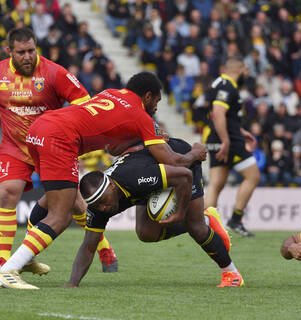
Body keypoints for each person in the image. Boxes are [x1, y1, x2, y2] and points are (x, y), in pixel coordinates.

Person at [0, 72, 207, 289]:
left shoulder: (111, 94)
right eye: (157, 101)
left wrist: (150, 135)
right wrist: (195, 152)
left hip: (39, 129)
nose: (156, 107)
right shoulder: (141, 115)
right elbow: (172, 160)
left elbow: (113, 146)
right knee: (60, 216)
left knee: (58, 199)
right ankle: (8, 269)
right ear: (148, 96)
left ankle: (26, 258)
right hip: (60, 138)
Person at [0, 27, 117, 275]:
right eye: (21, 52)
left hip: (50, 146)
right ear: (9, 51)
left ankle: (104, 248)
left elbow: (85, 103)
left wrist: (63, 126)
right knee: (7, 192)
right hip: (15, 147)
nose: (28, 56)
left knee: (72, 203)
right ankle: (4, 263)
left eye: (32, 50)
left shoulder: (54, 72)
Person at [62, 138, 244, 288]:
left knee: (195, 226)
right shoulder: (98, 204)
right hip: (150, 176)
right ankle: (206, 219)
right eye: (96, 205)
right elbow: (88, 246)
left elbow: (184, 176)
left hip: (180, 160)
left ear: (111, 186)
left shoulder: (136, 177)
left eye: (103, 202)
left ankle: (232, 274)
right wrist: (72, 283)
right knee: (146, 233)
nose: (102, 208)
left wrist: (181, 213)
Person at [203, 58, 260, 237]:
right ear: (240, 68)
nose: (247, 75)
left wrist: (241, 130)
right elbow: (219, 112)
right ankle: (235, 220)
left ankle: (206, 226)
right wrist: (226, 140)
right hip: (228, 140)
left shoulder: (220, 83)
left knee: (216, 183)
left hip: (221, 135)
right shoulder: (227, 85)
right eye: (247, 70)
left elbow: (225, 115)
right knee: (253, 176)